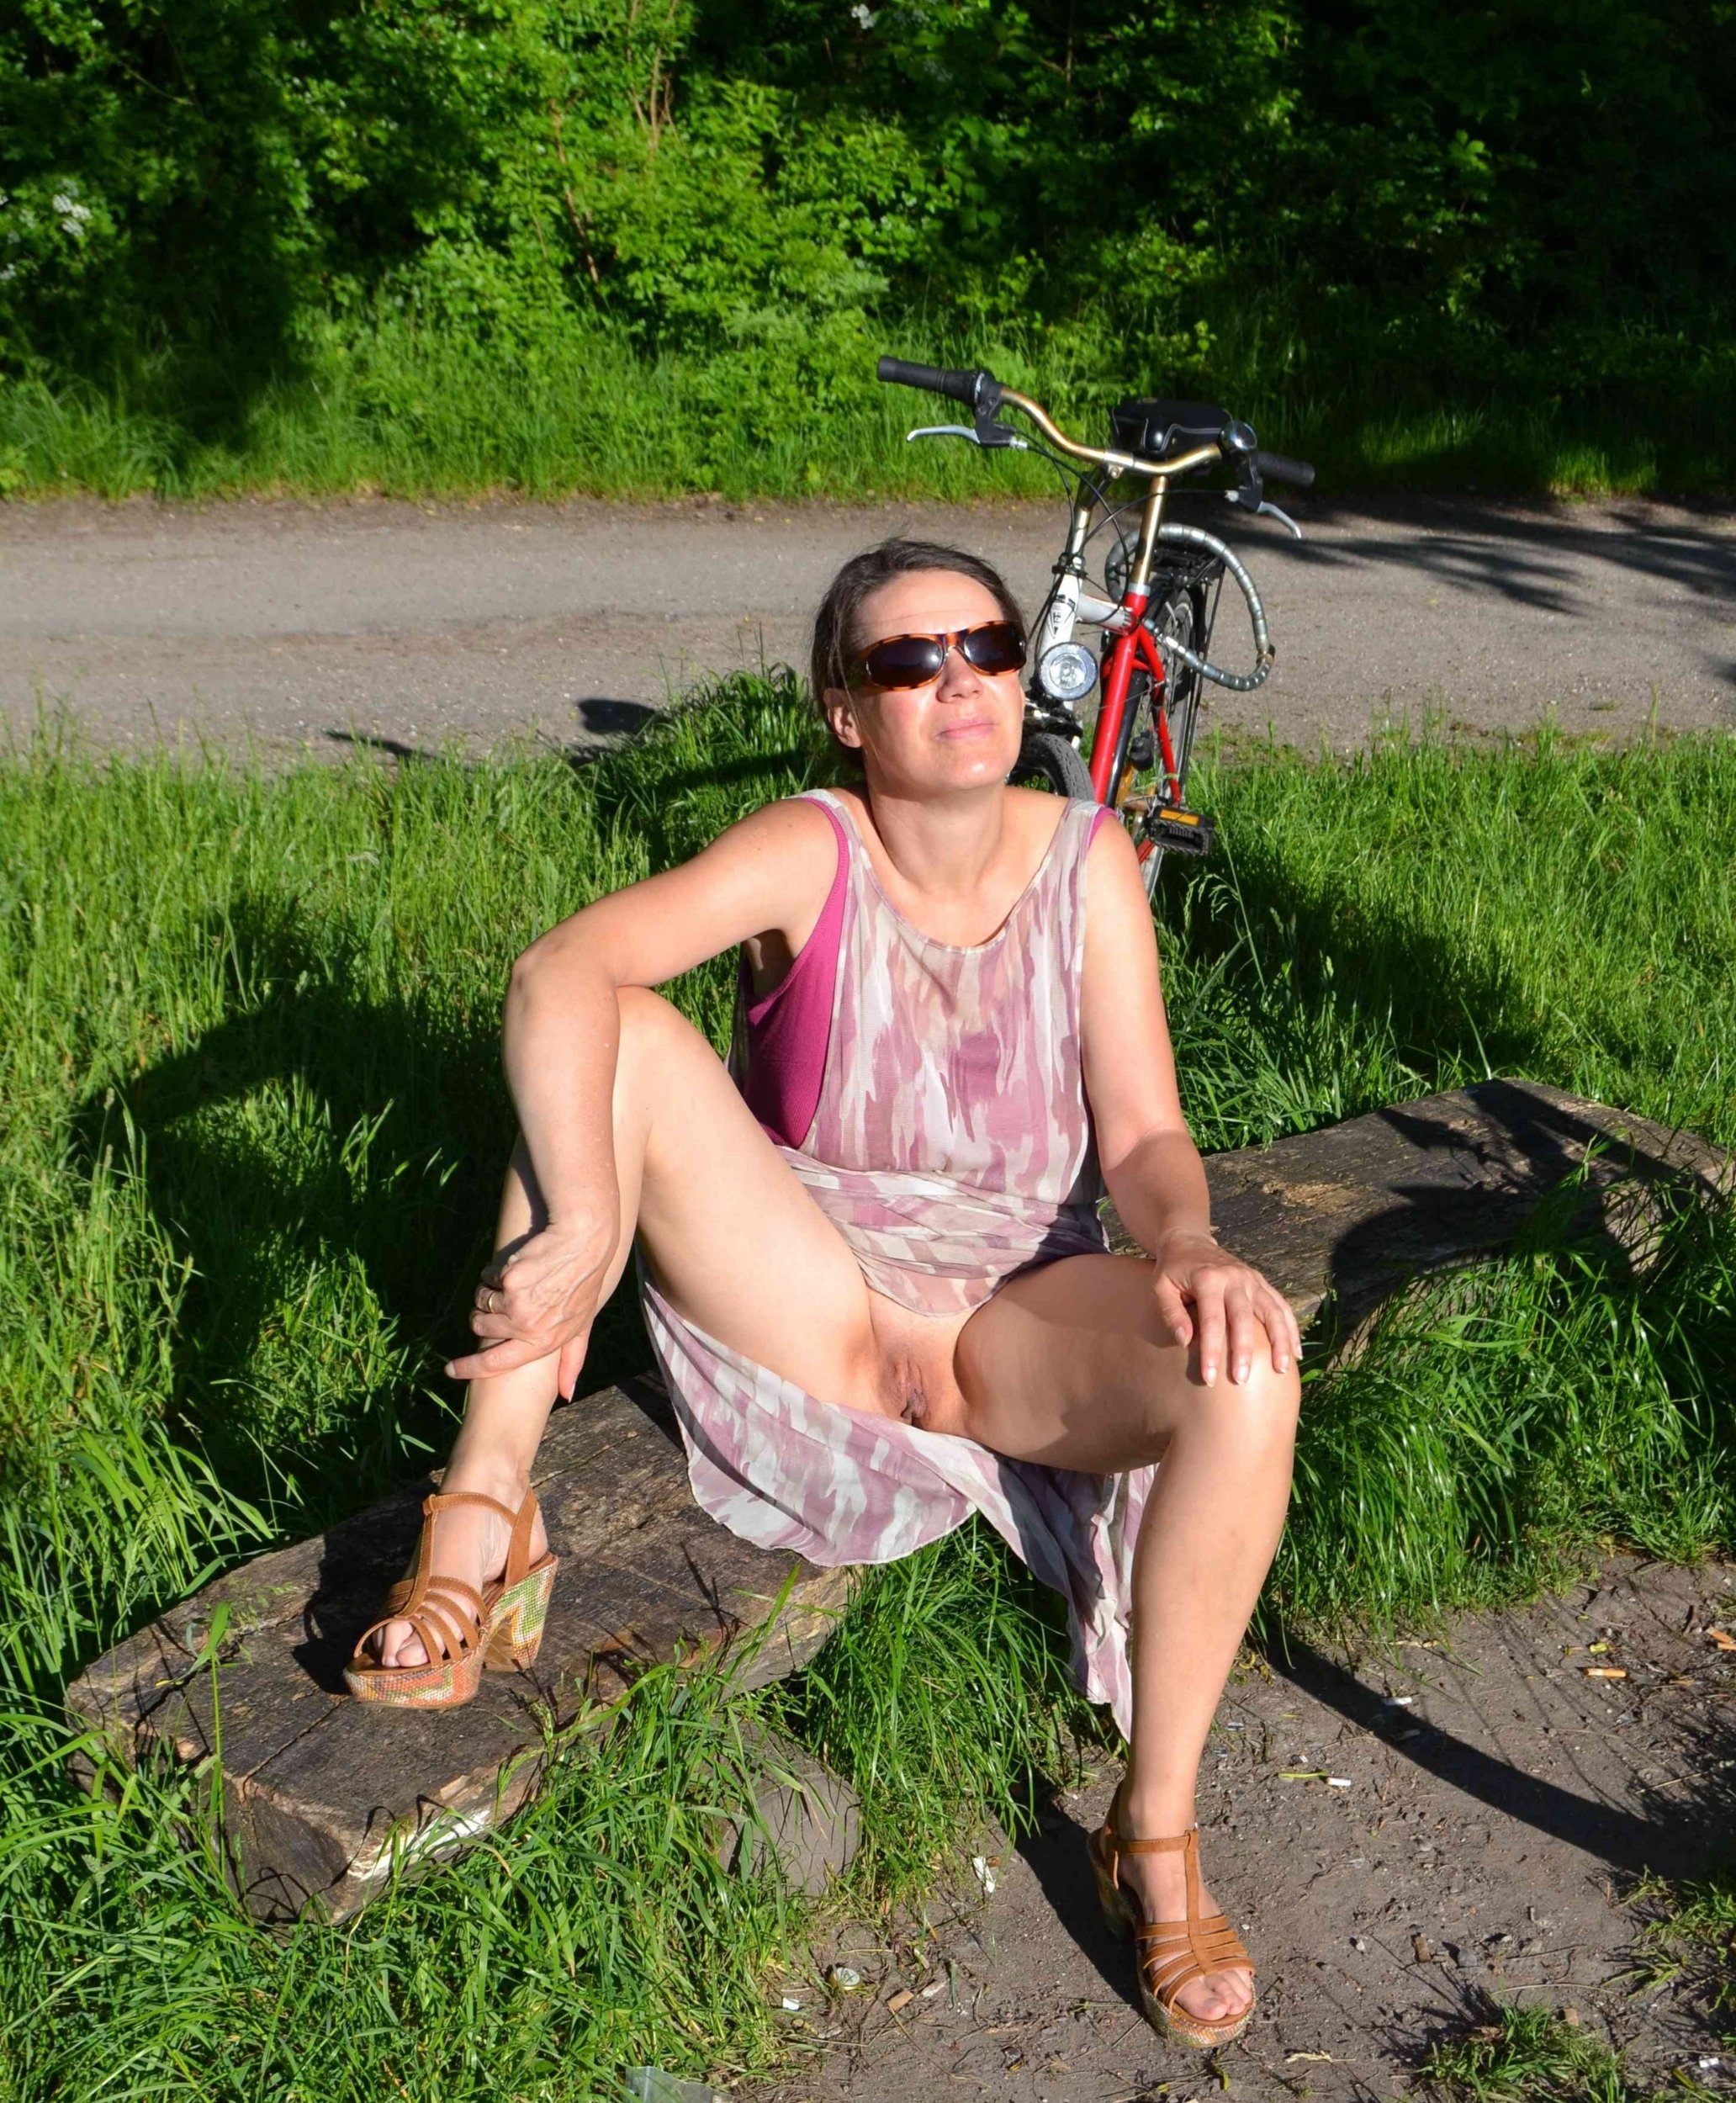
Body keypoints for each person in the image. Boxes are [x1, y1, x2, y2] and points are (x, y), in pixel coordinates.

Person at [346, 538, 1302, 2049]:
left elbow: (1142, 1133)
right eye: (908, 661)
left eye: (986, 647)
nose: (958, 683)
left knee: (1247, 1365)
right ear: (846, 711)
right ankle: (483, 1512)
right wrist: (589, 1219)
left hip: (1018, 1309)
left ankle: (1155, 1829)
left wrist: (1184, 1242)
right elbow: (556, 971)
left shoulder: (1090, 859)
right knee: (615, 1040)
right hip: (809, 1284)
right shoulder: (813, 848)